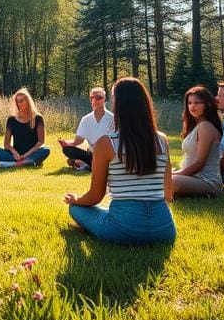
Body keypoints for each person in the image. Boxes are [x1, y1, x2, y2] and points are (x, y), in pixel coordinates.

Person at [63, 77, 176, 244]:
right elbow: (168, 194)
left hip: (123, 229)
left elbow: (95, 196)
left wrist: (76, 200)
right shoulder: (162, 140)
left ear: (118, 105)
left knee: (76, 209)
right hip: (164, 230)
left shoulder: (106, 143)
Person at [172, 85, 223, 197]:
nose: (192, 106)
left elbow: (199, 164)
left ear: (207, 104)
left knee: (171, 180)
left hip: (207, 181)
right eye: (189, 103)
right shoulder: (195, 126)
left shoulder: (205, 127)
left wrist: (175, 174)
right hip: (191, 177)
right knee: (160, 175)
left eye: (197, 103)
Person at [0, 88, 50, 168]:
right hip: (16, 154)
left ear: (28, 101)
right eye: (17, 101)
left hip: (31, 153)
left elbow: (40, 142)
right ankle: (28, 162)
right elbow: (7, 144)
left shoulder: (38, 118)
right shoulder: (11, 120)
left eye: (22, 101)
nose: (19, 104)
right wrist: (14, 153)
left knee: (46, 150)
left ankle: (15, 163)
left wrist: (26, 155)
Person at [58, 87, 114, 170]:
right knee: (67, 150)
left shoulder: (112, 118)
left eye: (99, 97)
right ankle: (88, 164)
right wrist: (67, 143)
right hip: (91, 153)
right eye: (92, 98)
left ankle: (84, 164)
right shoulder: (86, 119)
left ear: (104, 99)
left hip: (107, 154)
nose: (95, 100)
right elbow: (78, 141)